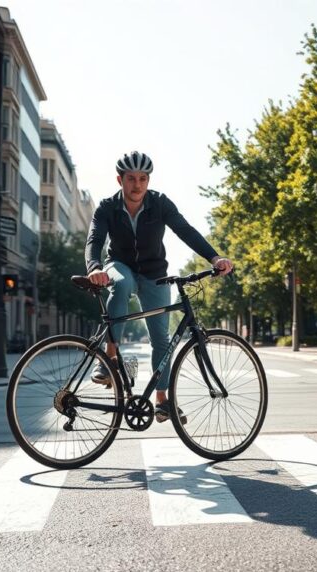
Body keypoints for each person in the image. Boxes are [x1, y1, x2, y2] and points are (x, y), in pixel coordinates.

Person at [84, 151, 234, 422]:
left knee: (161, 339)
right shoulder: (107, 207)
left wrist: (214, 257)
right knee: (120, 284)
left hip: (155, 273)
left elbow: (185, 230)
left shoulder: (160, 204)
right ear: (120, 180)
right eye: (131, 178)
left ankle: (162, 400)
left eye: (143, 178)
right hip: (119, 264)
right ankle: (109, 360)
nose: (137, 185)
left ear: (148, 181)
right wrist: (94, 268)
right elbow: (94, 239)